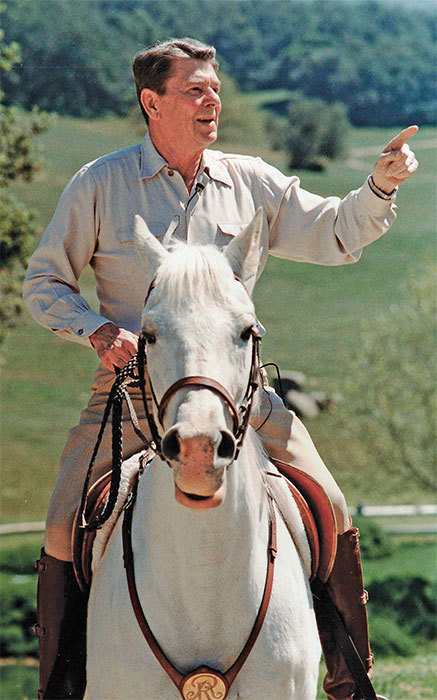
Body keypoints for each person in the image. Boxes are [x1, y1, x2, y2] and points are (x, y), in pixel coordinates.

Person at [23, 38, 418, 700]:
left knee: (330, 506)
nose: (212, 102)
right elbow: (43, 284)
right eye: (194, 90)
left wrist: (379, 185)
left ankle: (352, 679)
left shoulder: (251, 180)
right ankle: (59, 684)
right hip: (129, 399)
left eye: (214, 90)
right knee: (63, 523)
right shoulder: (99, 183)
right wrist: (96, 330)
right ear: (152, 103)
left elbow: (334, 232)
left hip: (242, 399)